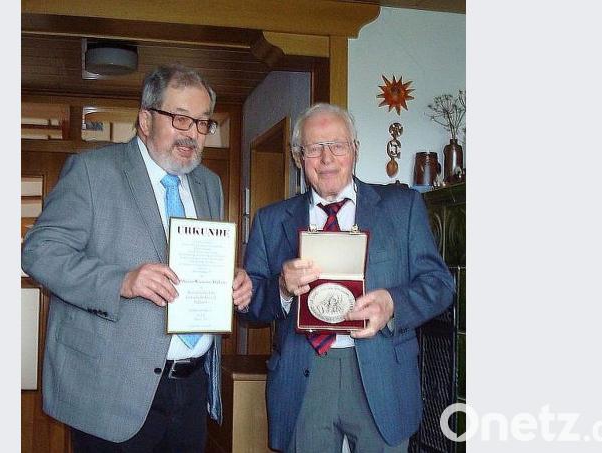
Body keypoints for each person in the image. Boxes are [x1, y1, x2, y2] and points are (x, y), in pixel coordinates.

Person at [22, 64, 253, 453]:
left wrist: (232, 279)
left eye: (201, 123)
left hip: (191, 388)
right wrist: (121, 281)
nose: (191, 133)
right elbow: (39, 252)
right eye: (179, 117)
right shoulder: (94, 172)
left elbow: (200, 259)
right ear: (146, 119)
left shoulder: (209, 184)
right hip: (110, 391)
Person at [242, 103, 454, 453]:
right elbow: (249, 306)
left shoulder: (403, 207)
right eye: (314, 148)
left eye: (337, 145)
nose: (327, 158)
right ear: (299, 157)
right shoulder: (270, 220)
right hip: (303, 379)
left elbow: (440, 284)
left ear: (354, 150)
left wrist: (392, 305)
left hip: (381, 375)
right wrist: (280, 289)